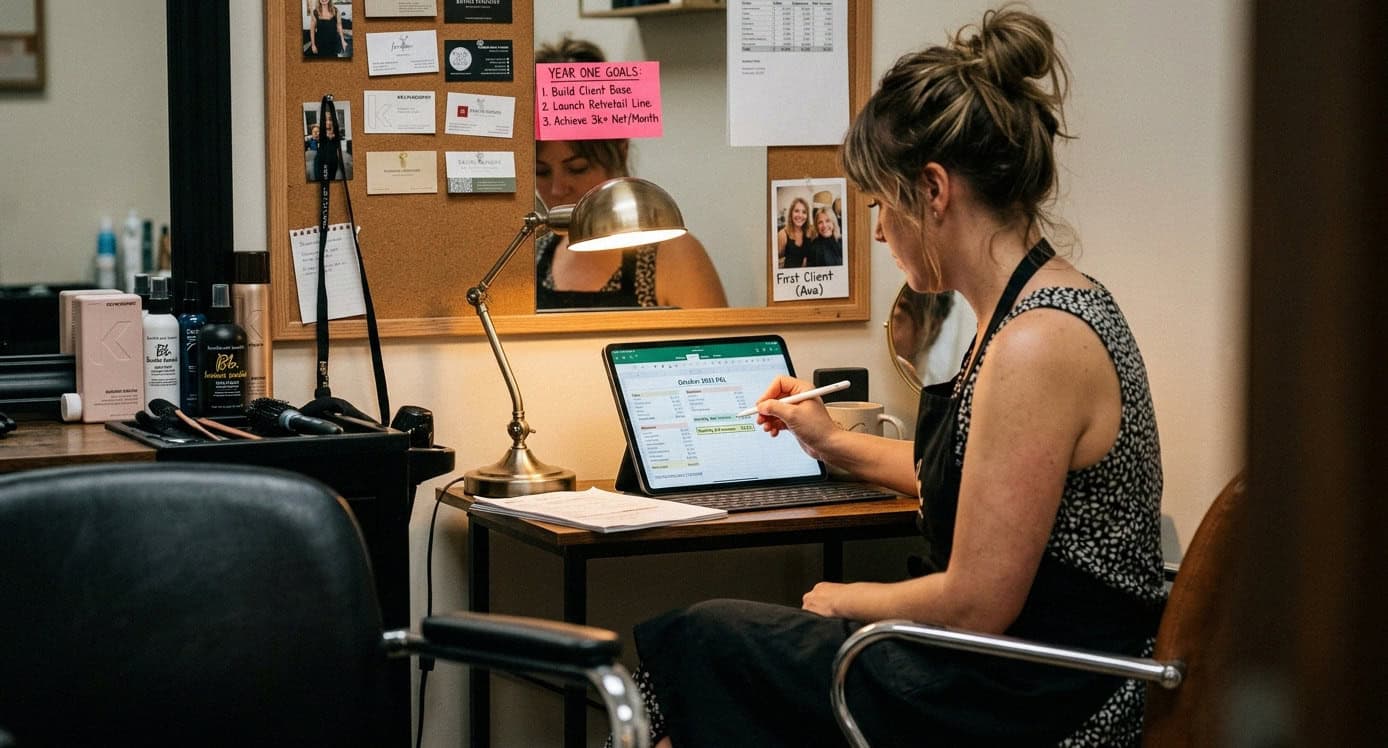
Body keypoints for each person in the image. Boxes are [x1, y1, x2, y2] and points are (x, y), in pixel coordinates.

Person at [625, 7, 1165, 747]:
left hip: (1041, 691)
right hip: (1017, 669)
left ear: (934, 191)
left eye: (881, 203)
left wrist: (848, 599)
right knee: (723, 650)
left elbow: (977, 604)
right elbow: (979, 485)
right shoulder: (1029, 312)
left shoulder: (1038, 345)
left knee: (706, 639)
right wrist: (828, 442)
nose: (877, 229)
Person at [534, 36, 727, 310]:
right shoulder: (535, 257)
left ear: (620, 150)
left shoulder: (671, 256)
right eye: (541, 172)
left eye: (578, 169)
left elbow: (716, 350)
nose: (557, 188)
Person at [777, 196, 812, 269]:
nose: (800, 215)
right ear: (791, 213)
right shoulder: (783, 234)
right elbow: (774, 260)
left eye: (804, 212)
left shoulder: (809, 231)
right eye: (796, 211)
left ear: (807, 216)